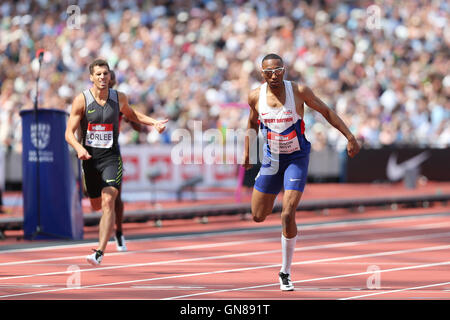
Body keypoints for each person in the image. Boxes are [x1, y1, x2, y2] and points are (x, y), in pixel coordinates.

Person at [243, 53, 360, 291]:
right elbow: (252, 123)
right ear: (261, 73)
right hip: (271, 160)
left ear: (284, 70)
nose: (273, 76)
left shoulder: (299, 91)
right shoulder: (255, 96)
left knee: (287, 213)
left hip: (296, 158)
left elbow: (326, 112)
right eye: (268, 72)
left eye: (277, 71)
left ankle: (285, 272)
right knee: (257, 215)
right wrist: (247, 153)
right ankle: (269, 196)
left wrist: (349, 137)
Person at [65, 59, 168, 266]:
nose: (103, 77)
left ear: (110, 76)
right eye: (99, 74)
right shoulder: (81, 100)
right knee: (95, 205)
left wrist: (153, 122)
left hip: (111, 158)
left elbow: (133, 114)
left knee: (109, 200)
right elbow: (68, 133)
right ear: (91, 78)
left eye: (106, 73)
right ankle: (109, 233)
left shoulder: (119, 98)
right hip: (90, 159)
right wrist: (79, 148)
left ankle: (99, 252)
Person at [108, 70, 144, 252]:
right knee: (90, 191)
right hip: (93, 152)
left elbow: (137, 125)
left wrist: (131, 119)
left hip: (113, 152)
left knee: (116, 196)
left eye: (111, 79)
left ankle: (118, 231)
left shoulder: (119, 101)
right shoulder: (88, 99)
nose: (108, 81)